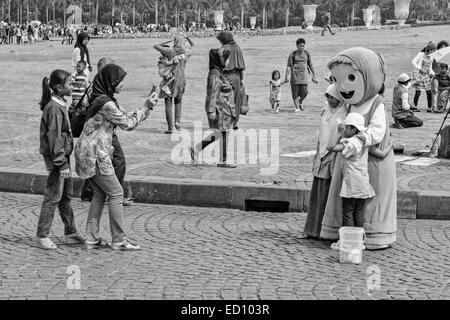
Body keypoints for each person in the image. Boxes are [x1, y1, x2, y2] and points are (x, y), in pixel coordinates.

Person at [74, 64, 159, 251]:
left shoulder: (102, 98)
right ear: (110, 82)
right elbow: (128, 123)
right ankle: (119, 239)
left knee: (101, 193)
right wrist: (145, 107)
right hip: (95, 155)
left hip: (87, 152)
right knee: (116, 193)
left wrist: (146, 107)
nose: (122, 84)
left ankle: (91, 238)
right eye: (119, 81)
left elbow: (125, 117)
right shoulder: (107, 104)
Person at [321, 47, 396, 251]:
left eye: (351, 77)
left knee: (370, 201)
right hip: (350, 162)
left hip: (372, 160)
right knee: (349, 204)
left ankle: (374, 235)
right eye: (337, 80)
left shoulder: (376, 103)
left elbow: (377, 131)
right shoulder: (350, 104)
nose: (343, 87)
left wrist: (359, 139)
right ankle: (346, 235)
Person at [36, 69, 86, 250]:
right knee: (53, 196)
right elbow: (55, 137)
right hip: (59, 159)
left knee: (65, 196)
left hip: (63, 157)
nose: (72, 86)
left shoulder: (59, 104)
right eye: (70, 84)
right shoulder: (54, 108)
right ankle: (42, 235)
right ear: (59, 87)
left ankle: (71, 232)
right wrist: (61, 162)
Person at [300, 84, 347, 239]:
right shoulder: (326, 112)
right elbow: (322, 135)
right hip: (322, 155)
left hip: (334, 156)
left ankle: (328, 231)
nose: (330, 99)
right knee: (318, 195)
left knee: (329, 195)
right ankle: (313, 229)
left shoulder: (344, 114)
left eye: (332, 96)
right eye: (327, 96)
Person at [327, 113, 375, 250]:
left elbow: (331, 147)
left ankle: (348, 241)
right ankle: (359, 242)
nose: (344, 130)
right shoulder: (364, 138)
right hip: (362, 180)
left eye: (346, 128)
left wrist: (337, 131)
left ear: (353, 129)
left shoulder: (352, 143)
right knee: (358, 212)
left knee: (348, 211)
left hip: (352, 181)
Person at [189, 49, 238, 168]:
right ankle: (222, 160)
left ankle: (196, 149)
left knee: (219, 134)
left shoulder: (220, 72)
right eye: (226, 60)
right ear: (220, 60)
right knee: (223, 133)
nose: (228, 62)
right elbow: (212, 92)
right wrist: (211, 111)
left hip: (225, 109)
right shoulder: (215, 74)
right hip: (219, 109)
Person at [154, 36, 194, 134]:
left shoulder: (170, 53)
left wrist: (167, 41)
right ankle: (177, 124)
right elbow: (192, 46)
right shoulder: (186, 54)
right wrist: (188, 39)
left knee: (168, 102)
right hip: (181, 80)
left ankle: (170, 128)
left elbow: (156, 46)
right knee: (178, 102)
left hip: (170, 81)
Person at [217, 31, 246, 118]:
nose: (220, 42)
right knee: (236, 99)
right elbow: (241, 66)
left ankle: (227, 121)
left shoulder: (223, 48)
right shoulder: (237, 47)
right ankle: (235, 121)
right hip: (237, 76)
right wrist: (241, 80)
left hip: (226, 77)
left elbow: (220, 66)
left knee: (226, 100)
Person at [285, 38, 318, 113]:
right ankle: (297, 108)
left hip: (304, 77)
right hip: (295, 77)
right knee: (295, 93)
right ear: (296, 46)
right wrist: (286, 77)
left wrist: (314, 74)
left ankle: (300, 101)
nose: (302, 48)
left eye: (303, 46)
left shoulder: (307, 53)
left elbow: (310, 64)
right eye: (300, 46)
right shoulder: (292, 54)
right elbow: (289, 66)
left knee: (305, 92)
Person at [411, 42, 436, 113]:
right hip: (419, 75)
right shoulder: (420, 54)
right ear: (429, 49)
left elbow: (429, 68)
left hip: (426, 76)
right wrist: (419, 69)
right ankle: (415, 106)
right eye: (433, 50)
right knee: (418, 92)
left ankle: (429, 107)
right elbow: (413, 62)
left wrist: (434, 74)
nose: (434, 52)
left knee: (429, 92)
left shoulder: (431, 57)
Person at [432, 40, 450, 113]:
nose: (443, 50)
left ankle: (442, 106)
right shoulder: (435, 58)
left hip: (447, 77)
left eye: (444, 48)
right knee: (436, 91)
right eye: (441, 48)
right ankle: (435, 106)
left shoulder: (448, 57)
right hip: (437, 77)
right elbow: (431, 69)